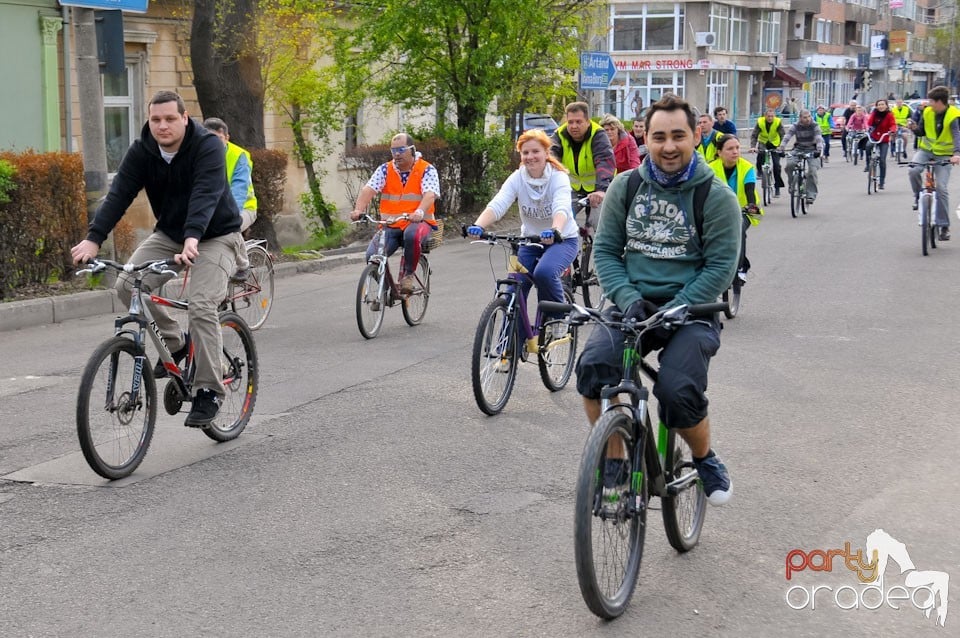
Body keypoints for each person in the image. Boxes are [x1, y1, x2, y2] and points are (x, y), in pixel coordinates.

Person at [575, 94, 740, 506]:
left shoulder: (715, 196)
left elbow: (721, 266)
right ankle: (613, 457)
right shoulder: (625, 186)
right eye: (659, 136)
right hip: (634, 305)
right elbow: (608, 252)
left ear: (696, 135)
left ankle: (704, 458)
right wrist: (628, 298)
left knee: (677, 390)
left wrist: (679, 306)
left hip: (693, 308)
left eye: (678, 136)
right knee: (595, 369)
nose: (669, 146)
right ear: (644, 138)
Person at [70, 90, 244, 428]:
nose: (162, 126)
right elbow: (119, 193)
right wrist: (93, 240)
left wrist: (193, 236)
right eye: (155, 120)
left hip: (216, 235)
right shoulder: (143, 151)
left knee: (201, 304)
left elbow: (206, 193)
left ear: (184, 118)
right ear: (148, 121)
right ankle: (177, 345)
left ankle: (209, 390)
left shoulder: (206, 145)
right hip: (170, 234)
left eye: (169, 119)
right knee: (127, 286)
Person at [467, 129, 579, 336]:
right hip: (530, 241)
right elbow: (499, 203)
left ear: (547, 153)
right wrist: (479, 225)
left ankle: (558, 318)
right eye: (525, 153)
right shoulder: (517, 178)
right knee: (513, 291)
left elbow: (561, 207)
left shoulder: (558, 178)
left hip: (562, 240)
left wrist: (555, 229)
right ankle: (508, 348)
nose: (530, 157)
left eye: (535, 151)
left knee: (544, 272)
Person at [350, 133, 440, 294]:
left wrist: (419, 211)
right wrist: (358, 210)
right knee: (372, 255)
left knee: (411, 235)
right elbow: (368, 190)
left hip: (419, 224)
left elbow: (430, 194)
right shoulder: (385, 170)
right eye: (393, 151)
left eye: (401, 150)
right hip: (391, 226)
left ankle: (408, 275)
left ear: (412, 150)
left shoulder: (426, 169)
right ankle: (384, 292)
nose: (396, 154)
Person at [201, 117, 256, 277]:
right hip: (213, 210)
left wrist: (231, 216)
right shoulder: (201, 155)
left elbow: (239, 191)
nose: (215, 144)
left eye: (219, 139)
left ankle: (243, 264)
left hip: (244, 208)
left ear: (227, 138)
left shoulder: (239, 156)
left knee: (230, 228)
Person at [908, 85, 960, 241]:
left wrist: (957, 154)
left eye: (931, 101)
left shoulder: (953, 115)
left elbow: (957, 136)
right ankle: (919, 196)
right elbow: (922, 132)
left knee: (942, 189)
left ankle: (944, 226)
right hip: (926, 151)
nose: (928, 103)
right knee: (913, 170)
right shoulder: (928, 112)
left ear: (940, 102)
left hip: (944, 155)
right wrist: (913, 128)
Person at [550, 101, 615, 225]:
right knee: (562, 219)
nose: (574, 126)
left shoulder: (598, 134)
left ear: (587, 121)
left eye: (578, 122)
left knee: (597, 223)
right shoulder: (559, 134)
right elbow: (551, 159)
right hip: (572, 188)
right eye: (570, 122)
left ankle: (593, 241)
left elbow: (604, 161)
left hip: (599, 186)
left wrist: (601, 190)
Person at [708, 134, 761, 285]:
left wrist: (751, 206)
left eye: (737, 148)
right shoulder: (710, 169)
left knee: (738, 228)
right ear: (719, 152)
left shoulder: (747, 167)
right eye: (730, 148)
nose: (735, 152)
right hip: (719, 211)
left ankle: (741, 267)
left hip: (745, 210)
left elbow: (750, 191)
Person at [779, 109, 825, 207]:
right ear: (800, 118)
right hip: (798, 149)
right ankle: (792, 184)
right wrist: (781, 148)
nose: (808, 119)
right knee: (789, 165)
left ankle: (811, 195)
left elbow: (818, 138)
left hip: (813, 150)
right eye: (805, 117)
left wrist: (819, 150)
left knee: (812, 170)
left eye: (809, 116)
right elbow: (787, 136)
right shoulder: (795, 126)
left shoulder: (814, 125)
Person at [749, 107, 786, 197]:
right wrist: (753, 147)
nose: (770, 118)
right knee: (760, 154)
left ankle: (777, 187)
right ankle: (760, 171)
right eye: (768, 116)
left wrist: (780, 147)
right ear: (765, 116)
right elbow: (754, 135)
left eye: (772, 116)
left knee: (777, 165)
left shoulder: (778, 122)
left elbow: (783, 135)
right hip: (763, 142)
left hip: (775, 143)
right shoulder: (760, 122)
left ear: (774, 116)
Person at [864, 98, 897, 189]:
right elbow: (869, 123)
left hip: (884, 138)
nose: (881, 106)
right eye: (879, 105)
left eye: (882, 104)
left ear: (886, 105)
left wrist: (892, 131)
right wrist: (873, 114)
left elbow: (893, 124)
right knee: (868, 146)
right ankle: (868, 165)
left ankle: (881, 181)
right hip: (874, 136)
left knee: (882, 160)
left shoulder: (889, 115)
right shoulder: (875, 113)